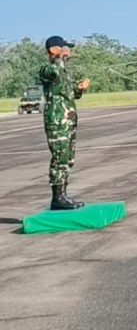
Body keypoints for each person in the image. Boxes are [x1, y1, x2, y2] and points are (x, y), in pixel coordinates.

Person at [39, 36, 90, 210]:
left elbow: (69, 94)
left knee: (68, 159)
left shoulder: (63, 72)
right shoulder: (49, 69)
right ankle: (57, 198)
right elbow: (50, 72)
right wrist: (59, 57)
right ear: (54, 50)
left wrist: (80, 89)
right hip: (57, 122)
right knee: (59, 158)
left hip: (67, 122)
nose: (69, 51)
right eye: (65, 48)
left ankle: (63, 196)